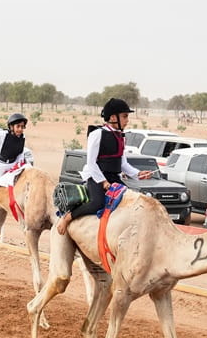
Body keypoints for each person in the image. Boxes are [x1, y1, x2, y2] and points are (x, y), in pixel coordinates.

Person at [57, 99, 153, 237]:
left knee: (130, 200)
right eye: (125, 116)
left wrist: (138, 174)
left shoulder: (121, 136)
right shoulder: (97, 134)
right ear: (113, 117)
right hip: (96, 176)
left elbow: (123, 163)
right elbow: (91, 163)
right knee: (97, 203)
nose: (127, 120)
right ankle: (68, 217)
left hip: (113, 177)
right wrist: (103, 182)